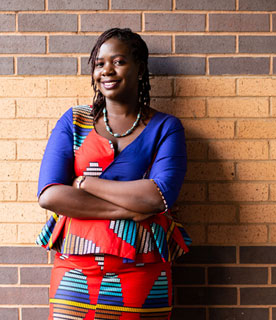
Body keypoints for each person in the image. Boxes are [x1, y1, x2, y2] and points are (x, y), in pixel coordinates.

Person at [36, 28, 190, 320]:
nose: (107, 70)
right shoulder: (73, 121)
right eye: (99, 63)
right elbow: (50, 194)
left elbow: (158, 196)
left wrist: (84, 183)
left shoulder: (166, 128)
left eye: (118, 61)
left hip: (142, 267)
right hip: (75, 271)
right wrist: (130, 210)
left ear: (140, 69)